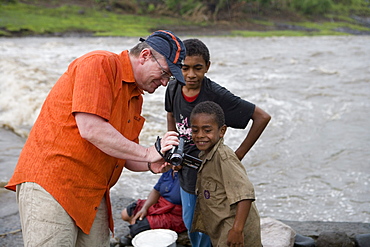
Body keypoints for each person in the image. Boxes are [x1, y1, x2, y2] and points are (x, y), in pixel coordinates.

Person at [5, 30, 186, 247]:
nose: (165, 83)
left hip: (94, 193)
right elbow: (91, 128)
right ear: (145, 55)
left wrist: (151, 163)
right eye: (165, 73)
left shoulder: (135, 97)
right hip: (53, 183)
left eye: (170, 78)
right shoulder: (99, 63)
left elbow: (125, 155)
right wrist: (149, 152)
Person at [165, 38, 271, 246]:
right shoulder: (173, 88)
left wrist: (237, 155)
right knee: (192, 223)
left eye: (198, 68)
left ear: (208, 67)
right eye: (185, 68)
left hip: (212, 177)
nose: (191, 75)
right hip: (186, 172)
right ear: (177, 67)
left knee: (213, 226)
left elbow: (262, 117)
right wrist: (173, 148)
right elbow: (171, 115)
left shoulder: (216, 94)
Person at [190, 101, 262, 246]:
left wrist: (237, 230)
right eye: (195, 130)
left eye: (207, 130)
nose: (200, 135)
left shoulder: (224, 158)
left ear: (222, 131)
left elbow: (246, 194)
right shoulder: (207, 154)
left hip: (234, 231)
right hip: (222, 228)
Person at [121, 168, 186, 238]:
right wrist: (144, 208)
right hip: (161, 203)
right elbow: (156, 190)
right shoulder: (169, 170)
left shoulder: (188, 175)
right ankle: (138, 230)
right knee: (125, 214)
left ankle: (139, 232)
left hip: (176, 213)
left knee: (136, 229)